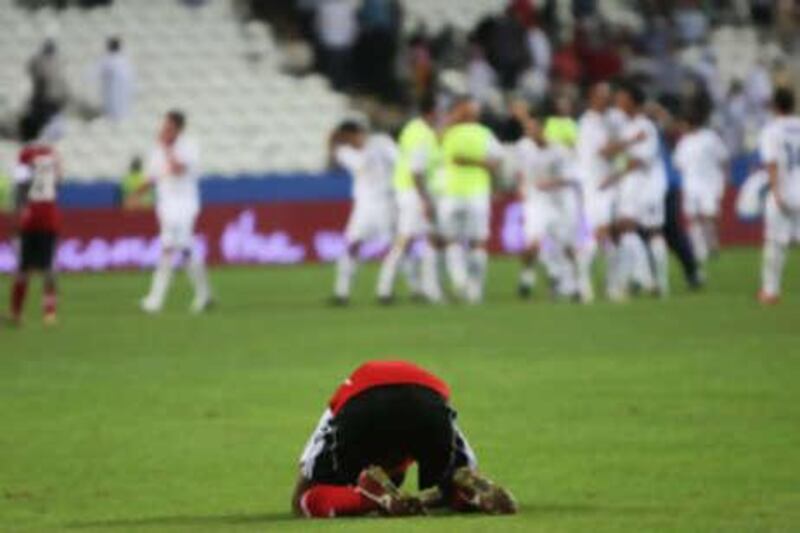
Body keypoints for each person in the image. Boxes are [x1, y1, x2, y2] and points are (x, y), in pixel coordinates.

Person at [292, 360, 517, 518]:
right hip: (427, 397)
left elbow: (302, 488)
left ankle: (368, 498)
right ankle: (466, 494)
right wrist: (438, 491)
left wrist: (360, 501)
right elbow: (468, 467)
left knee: (305, 499)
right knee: (456, 477)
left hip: (363, 399)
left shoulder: (343, 417)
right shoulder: (409, 448)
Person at [127, 111, 213, 314]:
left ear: (178, 129)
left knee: (170, 247)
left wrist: (166, 148)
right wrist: (135, 195)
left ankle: (156, 300)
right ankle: (204, 294)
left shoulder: (189, 146)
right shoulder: (157, 150)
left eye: (168, 127)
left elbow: (178, 169)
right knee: (183, 248)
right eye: (163, 126)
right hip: (166, 203)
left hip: (185, 202)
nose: (163, 130)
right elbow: (152, 177)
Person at [512, 103, 590, 302]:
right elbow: (519, 171)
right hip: (536, 202)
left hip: (559, 203)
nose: (529, 132)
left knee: (566, 247)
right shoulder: (523, 147)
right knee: (533, 243)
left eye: (533, 128)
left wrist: (551, 182)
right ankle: (526, 278)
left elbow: (574, 178)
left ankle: (576, 283)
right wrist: (522, 187)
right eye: (527, 129)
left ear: (543, 129)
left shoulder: (559, 151)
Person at [602, 81, 670, 298]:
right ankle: (647, 280)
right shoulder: (629, 126)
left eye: (622, 97)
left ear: (632, 100)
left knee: (652, 231)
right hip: (634, 185)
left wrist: (614, 177)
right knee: (628, 228)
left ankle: (658, 282)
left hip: (649, 185)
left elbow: (640, 160)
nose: (618, 101)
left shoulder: (644, 126)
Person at [376, 95, 443, 304]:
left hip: (406, 190)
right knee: (413, 240)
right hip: (414, 192)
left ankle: (397, 288)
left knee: (410, 240)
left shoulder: (411, 129)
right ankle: (425, 290)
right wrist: (424, 199)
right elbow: (416, 170)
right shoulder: (423, 134)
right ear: (431, 112)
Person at [439, 96, 503, 303]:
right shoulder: (478, 133)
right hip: (462, 193)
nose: (472, 113)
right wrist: (482, 164)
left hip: (465, 193)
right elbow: (495, 161)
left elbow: (494, 163)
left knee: (464, 242)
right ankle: (466, 286)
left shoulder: (463, 132)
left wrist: (468, 161)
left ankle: (467, 285)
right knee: (467, 242)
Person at [329, 120, 397, 305]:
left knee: (393, 247)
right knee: (352, 244)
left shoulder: (381, 142)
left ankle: (385, 291)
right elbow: (353, 163)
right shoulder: (346, 152)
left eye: (350, 138)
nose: (350, 142)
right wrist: (331, 141)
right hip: (364, 206)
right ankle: (341, 292)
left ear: (358, 133)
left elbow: (399, 162)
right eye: (346, 140)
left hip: (387, 201)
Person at [7, 118, 62, 326]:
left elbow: (20, 187)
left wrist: (16, 216)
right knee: (49, 267)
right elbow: (58, 182)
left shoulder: (25, 155)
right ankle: (50, 312)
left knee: (23, 267)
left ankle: (16, 312)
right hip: (50, 214)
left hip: (31, 217)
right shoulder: (52, 154)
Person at [575, 81, 622, 300]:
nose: (607, 99)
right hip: (594, 187)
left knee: (609, 238)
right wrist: (631, 141)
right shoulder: (588, 124)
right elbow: (605, 152)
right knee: (600, 235)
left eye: (609, 95)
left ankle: (609, 286)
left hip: (609, 185)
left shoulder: (606, 120)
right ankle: (585, 283)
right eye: (603, 96)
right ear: (592, 98)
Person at [758, 87, 800, 305]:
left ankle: (770, 291)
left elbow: (772, 163)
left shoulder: (772, 130)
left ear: (774, 106)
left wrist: (775, 192)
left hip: (784, 191)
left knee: (775, 242)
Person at [673, 105, 729, 268]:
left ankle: (713, 245)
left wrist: (724, 179)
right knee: (693, 217)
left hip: (710, 183)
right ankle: (699, 250)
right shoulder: (683, 142)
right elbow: (678, 164)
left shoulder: (710, 138)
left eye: (683, 124)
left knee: (709, 216)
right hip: (690, 185)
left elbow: (723, 158)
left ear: (690, 123)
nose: (681, 127)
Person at [97, 36, 134, 121]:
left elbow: (93, 75)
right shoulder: (125, 61)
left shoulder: (106, 60)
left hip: (112, 96)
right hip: (124, 100)